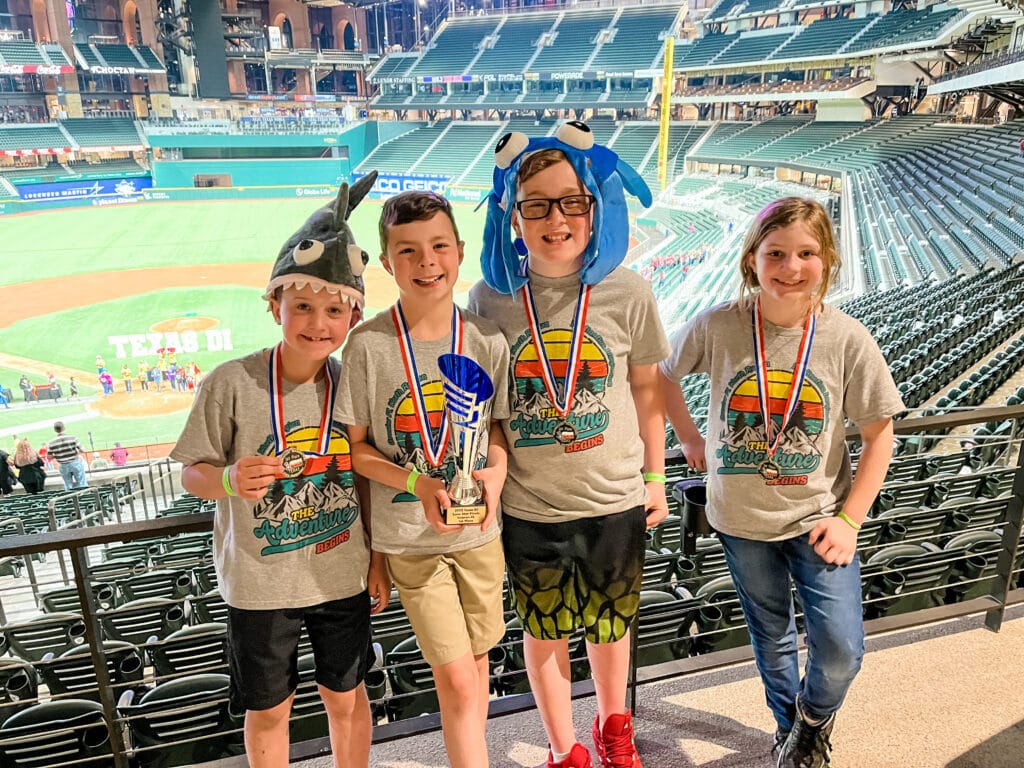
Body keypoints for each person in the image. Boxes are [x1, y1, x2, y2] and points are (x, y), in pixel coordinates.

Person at [658, 197, 904, 768]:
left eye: (807, 253)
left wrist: (849, 520)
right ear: (753, 259)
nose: (791, 267)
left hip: (819, 521)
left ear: (828, 260)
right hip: (740, 519)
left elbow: (881, 435)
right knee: (770, 637)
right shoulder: (717, 323)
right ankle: (789, 733)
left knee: (841, 650)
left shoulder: (846, 338)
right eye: (776, 253)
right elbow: (663, 376)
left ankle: (813, 721)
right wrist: (691, 439)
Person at [469, 122, 670, 768]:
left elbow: (646, 391)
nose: (556, 218)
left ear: (592, 207)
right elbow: (490, 411)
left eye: (570, 202)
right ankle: (565, 750)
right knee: (545, 629)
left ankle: (616, 730)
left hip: (614, 497)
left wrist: (656, 477)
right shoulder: (491, 300)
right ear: (514, 216)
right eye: (537, 205)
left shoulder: (628, 291)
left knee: (612, 626)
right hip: (531, 506)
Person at [170, 174, 379, 768]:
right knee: (268, 711)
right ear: (274, 306)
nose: (319, 322)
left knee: (347, 697)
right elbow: (192, 473)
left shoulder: (352, 384)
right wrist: (229, 479)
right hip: (260, 586)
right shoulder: (231, 382)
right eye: (303, 307)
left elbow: (363, 477)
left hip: (342, 577)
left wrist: (380, 562)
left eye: (335, 310)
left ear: (352, 316)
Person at [338, 191, 510, 768]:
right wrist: (414, 490)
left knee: (477, 677)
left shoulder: (487, 340)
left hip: (482, 536)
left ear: (460, 252)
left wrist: (495, 474)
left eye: (438, 246)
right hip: (412, 542)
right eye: (407, 251)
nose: (426, 261)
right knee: (460, 684)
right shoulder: (368, 345)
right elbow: (357, 451)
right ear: (388, 263)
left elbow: (500, 435)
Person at [47, 421, 88, 490]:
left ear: (55, 430)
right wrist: (76, 452)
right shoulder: (73, 438)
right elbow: (83, 450)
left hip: (63, 465)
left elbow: (49, 457)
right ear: (64, 428)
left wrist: (57, 455)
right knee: (82, 483)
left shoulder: (51, 442)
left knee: (68, 485)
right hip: (75, 463)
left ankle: (71, 499)